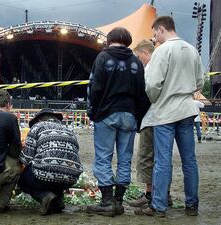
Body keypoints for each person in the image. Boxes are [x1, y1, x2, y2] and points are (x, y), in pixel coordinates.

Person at [135, 16, 204, 217]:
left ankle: (159, 206)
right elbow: (199, 81)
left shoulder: (162, 51)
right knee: (189, 161)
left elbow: (153, 84)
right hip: (187, 110)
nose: (155, 38)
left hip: (165, 112)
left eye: (155, 33)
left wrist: (156, 99)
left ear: (162, 29)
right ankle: (192, 205)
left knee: (163, 161)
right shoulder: (192, 49)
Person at [86, 27, 148, 217]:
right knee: (125, 159)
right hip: (129, 115)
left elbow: (94, 87)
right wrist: (139, 118)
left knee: (104, 157)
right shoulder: (136, 62)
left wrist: (93, 112)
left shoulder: (103, 58)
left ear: (109, 39)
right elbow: (142, 93)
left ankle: (107, 202)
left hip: (106, 113)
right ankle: (119, 201)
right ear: (127, 41)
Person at [129, 40, 173, 208]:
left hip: (152, 117)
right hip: (166, 118)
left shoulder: (150, 68)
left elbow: (147, 92)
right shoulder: (165, 65)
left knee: (147, 156)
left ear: (145, 53)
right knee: (163, 158)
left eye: (139, 56)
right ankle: (164, 194)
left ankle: (149, 195)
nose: (139, 60)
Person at [18, 108, 83, 215]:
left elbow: (26, 158)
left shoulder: (37, 127)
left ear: (39, 120)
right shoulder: (69, 131)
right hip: (71, 178)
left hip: (45, 176)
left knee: (22, 180)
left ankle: (44, 197)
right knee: (58, 170)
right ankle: (58, 200)